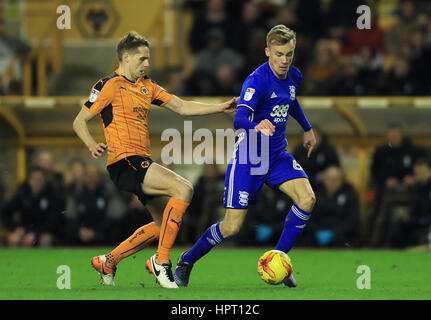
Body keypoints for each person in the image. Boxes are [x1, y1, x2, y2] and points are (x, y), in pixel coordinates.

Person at [72, 31, 237, 288]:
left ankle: (109, 261)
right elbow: (79, 120)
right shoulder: (108, 85)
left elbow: (181, 107)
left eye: (148, 59)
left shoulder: (147, 86)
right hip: (125, 161)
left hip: (140, 161)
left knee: (162, 225)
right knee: (184, 188)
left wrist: (220, 106)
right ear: (125, 57)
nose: (147, 64)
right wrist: (91, 143)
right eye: (142, 58)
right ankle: (161, 262)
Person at [175, 25, 316, 288]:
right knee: (231, 228)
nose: (284, 60)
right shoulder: (256, 80)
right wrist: (257, 126)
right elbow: (240, 118)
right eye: (278, 54)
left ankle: (279, 259)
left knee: (307, 199)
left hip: (276, 157)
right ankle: (186, 260)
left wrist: (307, 129)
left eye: (289, 54)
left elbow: (291, 101)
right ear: (267, 52)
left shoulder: (294, 76)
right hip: (249, 159)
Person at [1, 167, 64, 247]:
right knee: (13, 238)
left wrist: (35, 233)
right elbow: (5, 212)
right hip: (25, 229)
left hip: (44, 231)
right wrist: (15, 227)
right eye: (33, 179)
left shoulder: (52, 195)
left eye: (39, 179)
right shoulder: (23, 193)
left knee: (45, 239)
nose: (36, 182)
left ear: (44, 181)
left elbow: (52, 221)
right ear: (29, 180)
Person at [306, 166, 359, 247]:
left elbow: (352, 219)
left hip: (341, 236)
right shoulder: (315, 195)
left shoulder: (349, 194)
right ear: (324, 180)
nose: (332, 182)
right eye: (329, 179)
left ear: (341, 180)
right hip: (316, 235)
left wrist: (334, 233)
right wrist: (316, 231)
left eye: (335, 179)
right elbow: (308, 217)